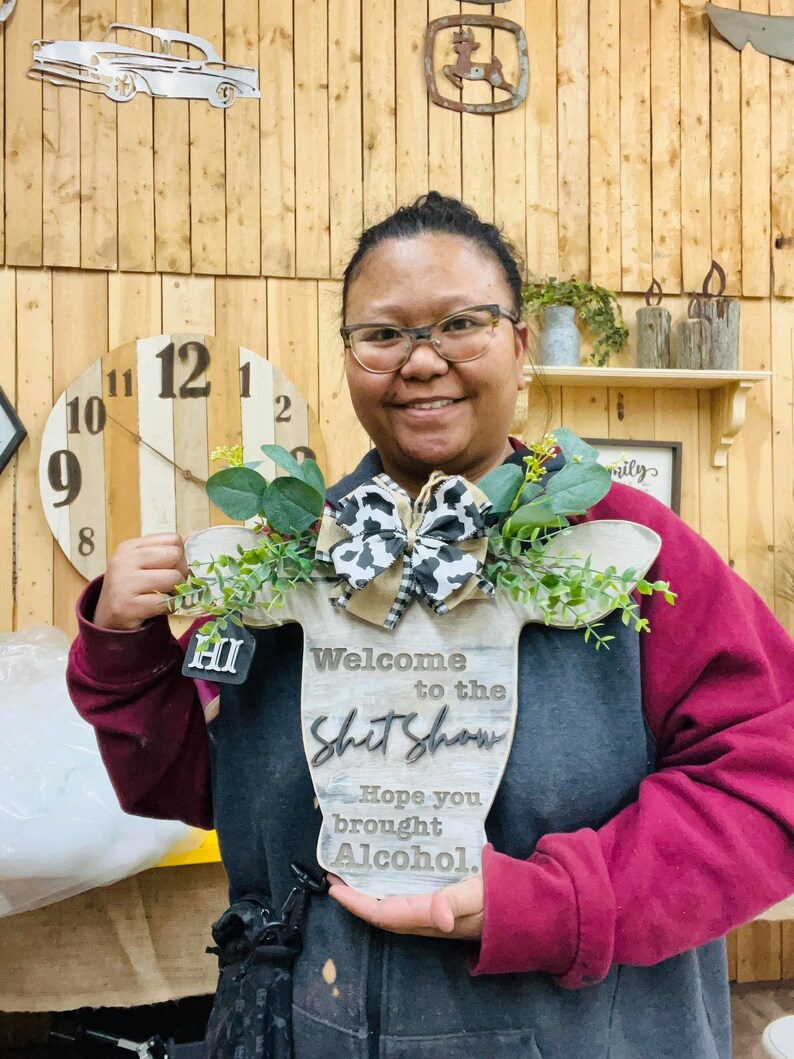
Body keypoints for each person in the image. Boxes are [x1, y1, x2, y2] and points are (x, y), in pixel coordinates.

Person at [68, 193, 794, 1059]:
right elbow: (188, 788)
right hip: (311, 1029)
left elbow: (769, 780)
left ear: (521, 347)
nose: (421, 362)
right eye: (383, 335)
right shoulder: (290, 553)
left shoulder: (629, 549)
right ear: (348, 358)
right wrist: (126, 648)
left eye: (462, 324)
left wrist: (557, 903)